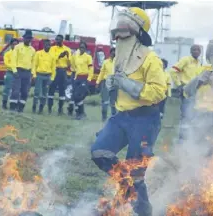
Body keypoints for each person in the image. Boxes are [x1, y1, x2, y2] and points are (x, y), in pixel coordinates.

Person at [90, 7, 167, 216]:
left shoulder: (151, 59)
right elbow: (118, 89)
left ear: (138, 32)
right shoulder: (119, 58)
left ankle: (142, 210)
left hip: (145, 119)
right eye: (118, 29)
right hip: (121, 117)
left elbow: (159, 92)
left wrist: (126, 84)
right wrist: (111, 84)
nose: (118, 35)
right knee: (99, 152)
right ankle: (126, 188)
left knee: (137, 172)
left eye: (125, 29)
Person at [169, 44, 202, 142]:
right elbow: (173, 71)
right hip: (187, 92)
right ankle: (181, 140)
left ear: (200, 52)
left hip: (195, 93)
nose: (196, 51)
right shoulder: (186, 60)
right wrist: (179, 85)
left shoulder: (199, 63)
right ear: (191, 51)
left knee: (193, 116)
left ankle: (189, 139)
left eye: (198, 50)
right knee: (186, 116)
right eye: (194, 50)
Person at [9, 30, 35, 112]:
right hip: (18, 71)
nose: (28, 40)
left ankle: (20, 109)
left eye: (29, 38)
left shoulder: (33, 50)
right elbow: (13, 60)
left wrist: (32, 74)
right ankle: (12, 109)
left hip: (27, 73)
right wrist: (14, 71)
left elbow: (33, 64)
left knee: (25, 92)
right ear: (23, 38)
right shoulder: (17, 47)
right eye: (27, 38)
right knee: (15, 91)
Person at [68, 41, 93, 120]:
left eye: (83, 47)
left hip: (84, 78)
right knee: (75, 96)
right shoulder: (76, 56)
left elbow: (91, 68)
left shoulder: (88, 57)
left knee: (78, 96)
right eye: (80, 47)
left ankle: (81, 113)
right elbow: (72, 64)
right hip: (77, 77)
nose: (81, 49)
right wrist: (72, 55)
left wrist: (89, 78)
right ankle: (80, 113)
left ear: (85, 49)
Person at [48, 35, 71, 115]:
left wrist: (68, 56)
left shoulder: (67, 49)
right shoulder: (52, 48)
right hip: (55, 70)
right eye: (56, 39)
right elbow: (51, 59)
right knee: (51, 89)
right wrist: (59, 56)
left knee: (62, 90)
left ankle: (60, 109)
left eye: (59, 39)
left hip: (63, 71)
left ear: (62, 40)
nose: (57, 41)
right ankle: (49, 108)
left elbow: (69, 64)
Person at [31, 39, 56, 114]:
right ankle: (34, 106)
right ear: (44, 45)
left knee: (44, 94)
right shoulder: (38, 53)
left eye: (49, 45)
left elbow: (53, 68)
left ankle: (41, 108)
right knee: (37, 92)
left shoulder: (52, 56)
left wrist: (52, 78)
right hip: (39, 75)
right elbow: (34, 65)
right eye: (46, 45)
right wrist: (34, 75)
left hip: (47, 76)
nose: (48, 46)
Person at [96, 47, 117, 122]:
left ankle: (114, 119)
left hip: (115, 83)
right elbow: (101, 73)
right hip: (105, 82)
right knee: (105, 101)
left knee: (113, 102)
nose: (114, 54)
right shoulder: (105, 62)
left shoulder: (118, 62)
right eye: (112, 52)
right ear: (110, 53)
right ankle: (103, 118)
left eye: (115, 52)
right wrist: (98, 82)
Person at [2, 38, 19, 109]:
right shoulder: (7, 53)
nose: (15, 46)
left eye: (16, 44)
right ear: (11, 45)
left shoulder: (19, 54)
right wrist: (14, 67)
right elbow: (6, 63)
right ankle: (4, 103)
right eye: (13, 44)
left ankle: (15, 105)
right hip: (10, 73)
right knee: (7, 88)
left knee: (16, 89)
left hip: (18, 74)